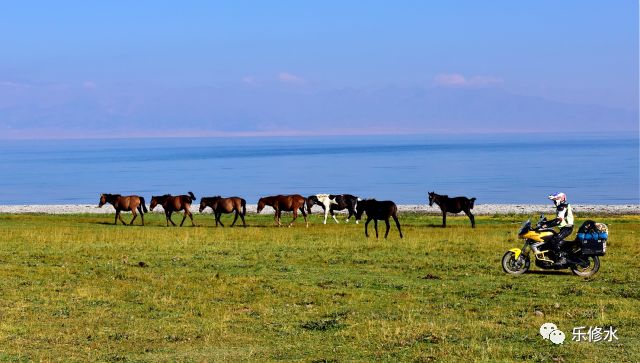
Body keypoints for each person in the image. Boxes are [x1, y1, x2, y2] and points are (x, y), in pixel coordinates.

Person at [542, 192, 574, 265]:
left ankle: (561, 258)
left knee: (554, 240)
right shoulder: (561, 206)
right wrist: (545, 223)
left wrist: (545, 225)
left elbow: (558, 221)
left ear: (560, 199)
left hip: (567, 228)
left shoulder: (562, 207)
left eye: (555, 200)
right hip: (565, 228)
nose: (554, 202)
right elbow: (557, 220)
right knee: (551, 239)